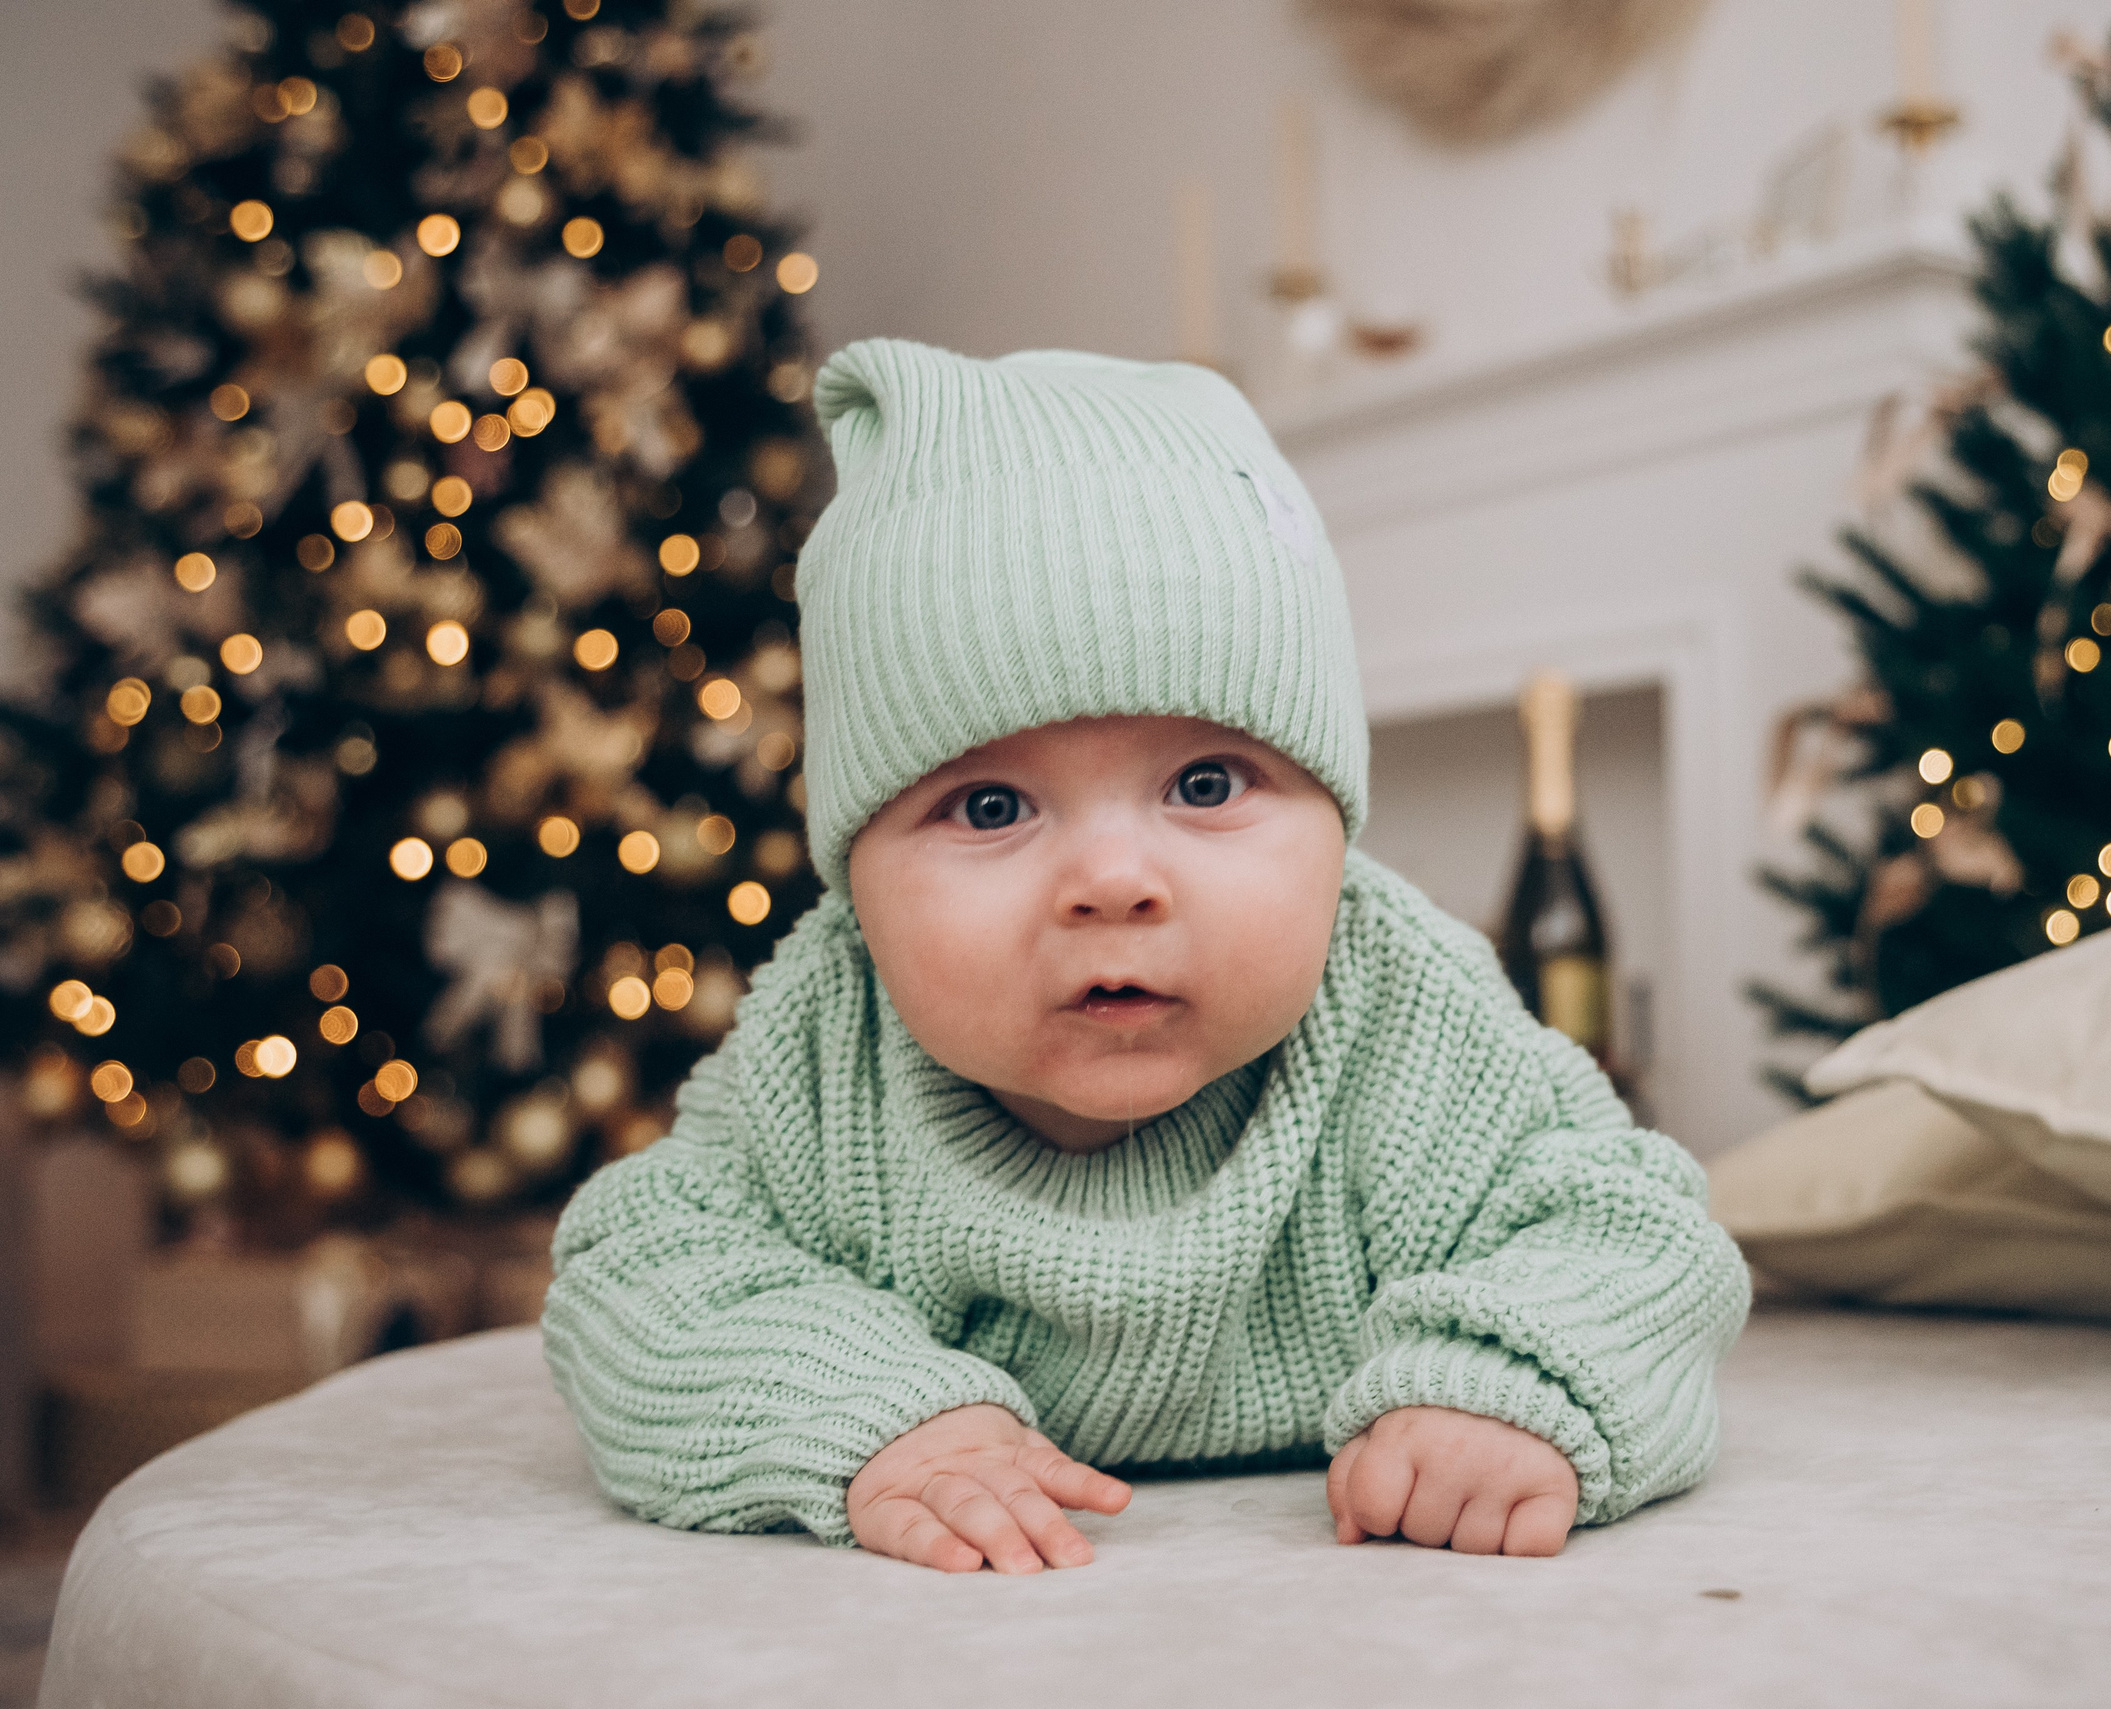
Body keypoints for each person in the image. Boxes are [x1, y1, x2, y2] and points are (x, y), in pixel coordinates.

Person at [541, 337, 1751, 1574]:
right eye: (991, 808)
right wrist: (870, 1417)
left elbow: (1629, 1227)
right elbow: (640, 1272)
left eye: (1208, 781)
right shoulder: (829, 1040)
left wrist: (1505, 1383)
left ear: (1338, 826)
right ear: (854, 881)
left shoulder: (1396, 997)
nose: (1113, 882)